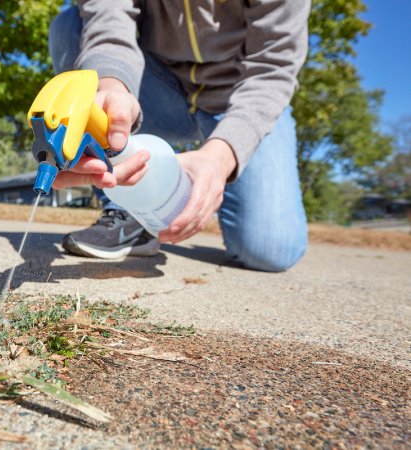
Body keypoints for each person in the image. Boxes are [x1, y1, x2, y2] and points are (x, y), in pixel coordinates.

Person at [47, 0, 310, 272]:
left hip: (241, 100)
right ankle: (128, 213)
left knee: (269, 248)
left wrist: (220, 158)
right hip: (157, 91)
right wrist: (112, 91)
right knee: (69, 27)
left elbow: (273, 66)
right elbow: (109, 21)